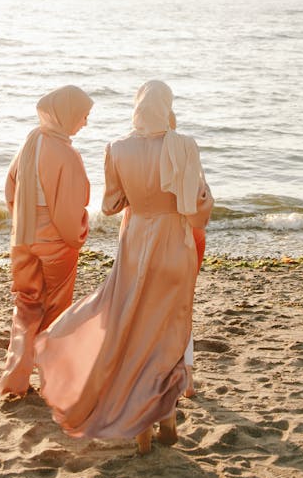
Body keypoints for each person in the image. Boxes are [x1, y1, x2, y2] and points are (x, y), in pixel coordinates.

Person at [35, 80, 213, 454]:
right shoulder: (185, 146)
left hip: (134, 245)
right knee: (169, 331)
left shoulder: (116, 148)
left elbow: (111, 205)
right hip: (175, 247)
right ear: (166, 107)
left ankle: (142, 430)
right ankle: (166, 421)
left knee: (133, 332)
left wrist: (138, 197)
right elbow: (198, 210)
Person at [0, 84, 93, 398]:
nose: (85, 123)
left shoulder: (30, 140)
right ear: (67, 115)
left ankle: (15, 381)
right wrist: (77, 235)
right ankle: (51, 382)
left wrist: (21, 221)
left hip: (23, 235)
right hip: (54, 240)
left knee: (25, 307)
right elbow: (68, 210)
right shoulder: (66, 153)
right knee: (55, 310)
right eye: (83, 116)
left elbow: (10, 187)